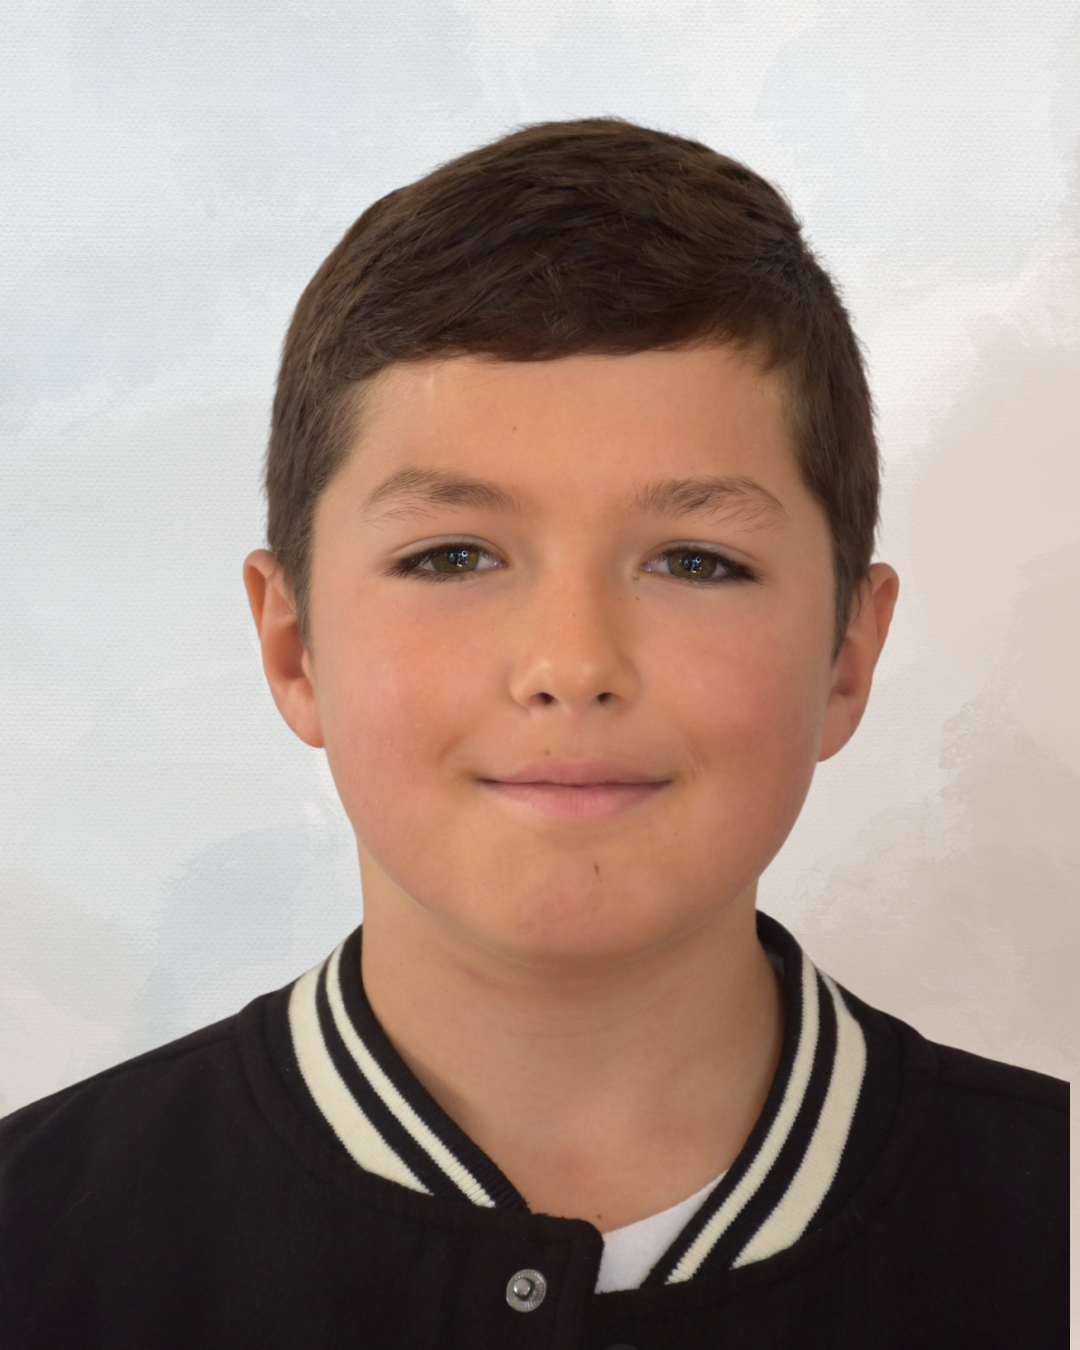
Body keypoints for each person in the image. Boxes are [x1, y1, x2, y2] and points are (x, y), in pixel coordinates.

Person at [0, 117, 1067, 1349]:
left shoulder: (1052, 1222)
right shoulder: (38, 1243)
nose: (573, 664)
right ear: (293, 647)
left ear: (846, 657)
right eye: (451, 555)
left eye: (696, 560)